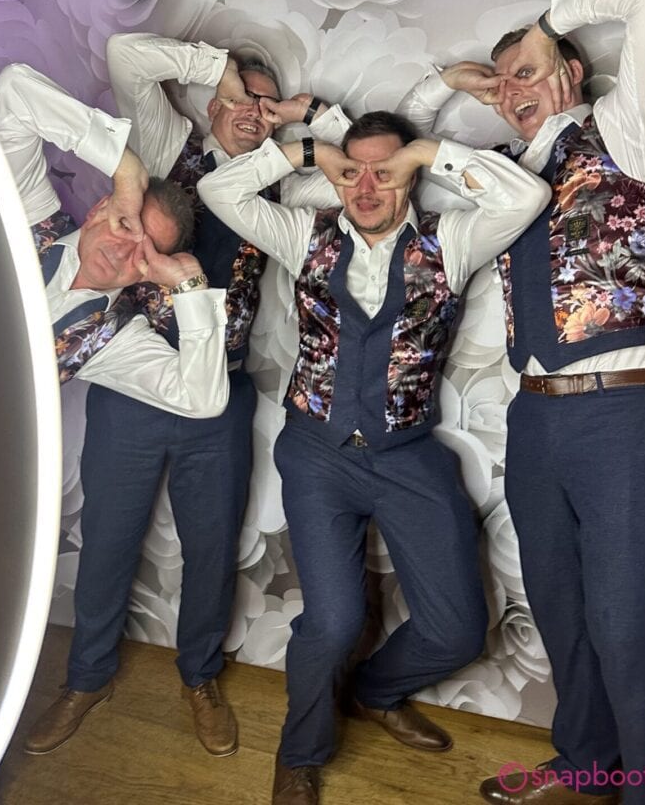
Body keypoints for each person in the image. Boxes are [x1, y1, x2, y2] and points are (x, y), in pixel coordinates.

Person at [197, 111, 551, 804]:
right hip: (317, 455)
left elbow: (527, 197)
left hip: (408, 457)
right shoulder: (305, 236)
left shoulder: (451, 241)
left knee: (458, 631)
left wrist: (427, 152)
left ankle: (374, 692)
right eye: (352, 173)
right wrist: (304, 152)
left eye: (384, 173)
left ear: (410, 177)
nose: (365, 188)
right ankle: (300, 753)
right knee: (331, 622)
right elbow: (220, 192)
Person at [398, 0, 645, 805]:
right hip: (537, 416)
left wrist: (555, 18)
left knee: (631, 624)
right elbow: (399, 152)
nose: (512, 88)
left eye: (528, 69)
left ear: (571, 70)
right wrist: (448, 84)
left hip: (625, 410)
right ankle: (588, 766)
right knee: (561, 610)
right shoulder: (499, 171)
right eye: (501, 80)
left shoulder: (629, 129)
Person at [48, 32, 347, 759]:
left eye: (266, 105)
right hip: (127, 384)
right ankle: (86, 678)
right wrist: (222, 71)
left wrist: (303, 119)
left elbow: (355, 166)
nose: (251, 112)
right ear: (213, 103)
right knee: (108, 539)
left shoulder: (277, 184)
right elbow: (128, 55)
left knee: (211, 546)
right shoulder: (163, 145)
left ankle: (201, 676)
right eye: (240, 98)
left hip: (219, 396)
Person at [0, 65, 235, 756]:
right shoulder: (29, 218)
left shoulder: (112, 337)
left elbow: (202, 398)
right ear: (101, 208)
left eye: (144, 256)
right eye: (125, 225)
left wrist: (188, 286)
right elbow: (12, 91)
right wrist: (127, 169)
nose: (125, 252)